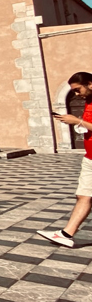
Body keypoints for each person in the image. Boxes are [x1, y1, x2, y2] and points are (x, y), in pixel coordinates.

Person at [40, 72, 92, 247]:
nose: (77, 94)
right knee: (83, 195)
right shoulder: (88, 102)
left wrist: (77, 121)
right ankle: (65, 234)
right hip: (90, 157)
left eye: (78, 90)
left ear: (90, 83)